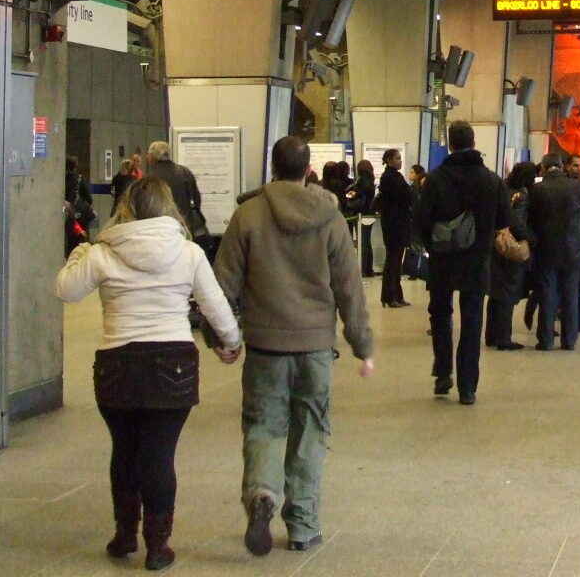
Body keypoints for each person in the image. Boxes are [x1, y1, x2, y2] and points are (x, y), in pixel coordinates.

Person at [56, 177, 242, 571]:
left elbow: (66, 290)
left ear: (126, 208)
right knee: (159, 455)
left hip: (117, 363)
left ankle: (125, 534)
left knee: (124, 451)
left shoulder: (103, 252)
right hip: (172, 364)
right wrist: (230, 341)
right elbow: (215, 306)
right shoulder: (188, 252)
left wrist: (78, 254)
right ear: (168, 208)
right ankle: (158, 546)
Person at [213, 135, 374, 556]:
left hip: (265, 345)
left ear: (272, 167)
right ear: (308, 170)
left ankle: (262, 493)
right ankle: (303, 524)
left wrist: (219, 338)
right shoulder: (330, 219)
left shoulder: (247, 216)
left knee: (263, 425)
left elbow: (222, 285)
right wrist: (362, 344)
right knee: (310, 431)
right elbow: (349, 288)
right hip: (315, 347)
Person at [416, 121, 509, 403]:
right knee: (472, 319)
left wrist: (431, 244)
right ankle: (467, 386)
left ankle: (443, 371)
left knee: (440, 314)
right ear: (473, 142)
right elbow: (504, 219)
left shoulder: (435, 179)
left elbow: (421, 219)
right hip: (477, 259)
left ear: (450, 144)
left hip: (442, 258)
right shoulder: (491, 181)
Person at [525, 152, 580, 351]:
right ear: (561, 166)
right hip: (573, 248)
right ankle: (569, 340)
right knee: (570, 295)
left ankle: (546, 339)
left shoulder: (537, 189)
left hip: (546, 248)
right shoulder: (576, 187)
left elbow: (530, 218)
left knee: (547, 293)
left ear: (543, 168)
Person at [486, 161, 536, 351]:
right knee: (507, 293)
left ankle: (491, 335)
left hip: (495, 244)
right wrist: (530, 238)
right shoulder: (521, 194)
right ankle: (503, 338)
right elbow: (516, 221)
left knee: (496, 294)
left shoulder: (501, 187)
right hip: (511, 247)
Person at [143, 141, 206, 248]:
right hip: (187, 228)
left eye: (148, 155)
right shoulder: (185, 172)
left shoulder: (151, 178)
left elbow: (147, 208)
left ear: (152, 157)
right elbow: (196, 199)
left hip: (162, 232)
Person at [376, 148, 413, 308]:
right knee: (392, 260)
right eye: (397, 158)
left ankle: (397, 295)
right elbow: (403, 196)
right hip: (393, 224)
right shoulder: (389, 177)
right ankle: (389, 296)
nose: (400, 161)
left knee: (397, 261)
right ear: (389, 160)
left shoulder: (396, 176)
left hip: (398, 223)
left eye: (400, 158)